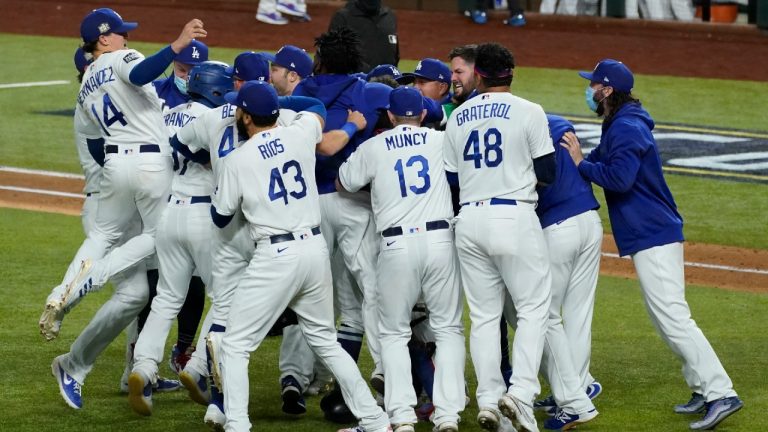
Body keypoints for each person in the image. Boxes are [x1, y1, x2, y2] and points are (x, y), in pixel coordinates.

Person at [560, 58, 743, 431]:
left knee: (674, 317)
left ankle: (721, 392)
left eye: (594, 85)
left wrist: (579, 163)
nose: (590, 90)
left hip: (653, 233)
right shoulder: (620, 123)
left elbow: (620, 178)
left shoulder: (626, 128)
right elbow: (600, 160)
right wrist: (578, 161)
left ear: (608, 90)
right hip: (650, 232)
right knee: (667, 319)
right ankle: (700, 387)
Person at [41, 8, 205, 410]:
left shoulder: (84, 95)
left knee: (135, 293)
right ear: (103, 40)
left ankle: (81, 359)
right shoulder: (121, 60)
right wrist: (178, 45)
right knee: (160, 240)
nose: (126, 39)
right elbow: (141, 72)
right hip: (138, 180)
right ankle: (81, 287)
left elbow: (99, 148)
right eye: (120, 34)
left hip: (113, 182)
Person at [210, 80, 391, 432]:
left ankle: (237, 425)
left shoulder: (237, 160)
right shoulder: (301, 131)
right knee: (325, 340)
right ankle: (375, 420)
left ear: (246, 116)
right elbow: (314, 107)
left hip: (275, 255)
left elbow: (220, 217)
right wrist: (279, 101)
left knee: (234, 344)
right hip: (313, 250)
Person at [337, 86, 466, 432]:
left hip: (396, 247)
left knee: (393, 333)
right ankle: (448, 414)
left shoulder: (374, 146)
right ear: (422, 115)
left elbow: (344, 182)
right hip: (441, 241)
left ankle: (402, 416)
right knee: (449, 329)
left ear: (391, 117)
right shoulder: (441, 141)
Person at [443, 42, 555, 432]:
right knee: (533, 308)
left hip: (470, 221)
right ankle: (521, 394)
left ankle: (489, 399)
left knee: (485, 316)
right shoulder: (530, 111)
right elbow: (548, 172)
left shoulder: (456, 118)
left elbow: (452, 179)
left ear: (479, 75)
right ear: (510, 73)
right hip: (514, 216)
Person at [127, 61, 233, 416]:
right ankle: (198, 367)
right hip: (204, 216)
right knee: (224, 296)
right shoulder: (218, 119)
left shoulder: (169, 113)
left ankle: (143, 366)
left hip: (170, 212)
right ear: (218, 90)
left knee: (167, 297)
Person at [329, 0, 399, 72]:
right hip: (356, 81)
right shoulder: (343, 18)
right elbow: (333, 58)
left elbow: (394, 54)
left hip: (387, 80)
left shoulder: (389, 16)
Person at [153, 39, 208, 109]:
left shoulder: (214, 97)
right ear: (173, 64)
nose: (187, 77)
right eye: (182, 70)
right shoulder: (154, 90)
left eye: (193, 71)